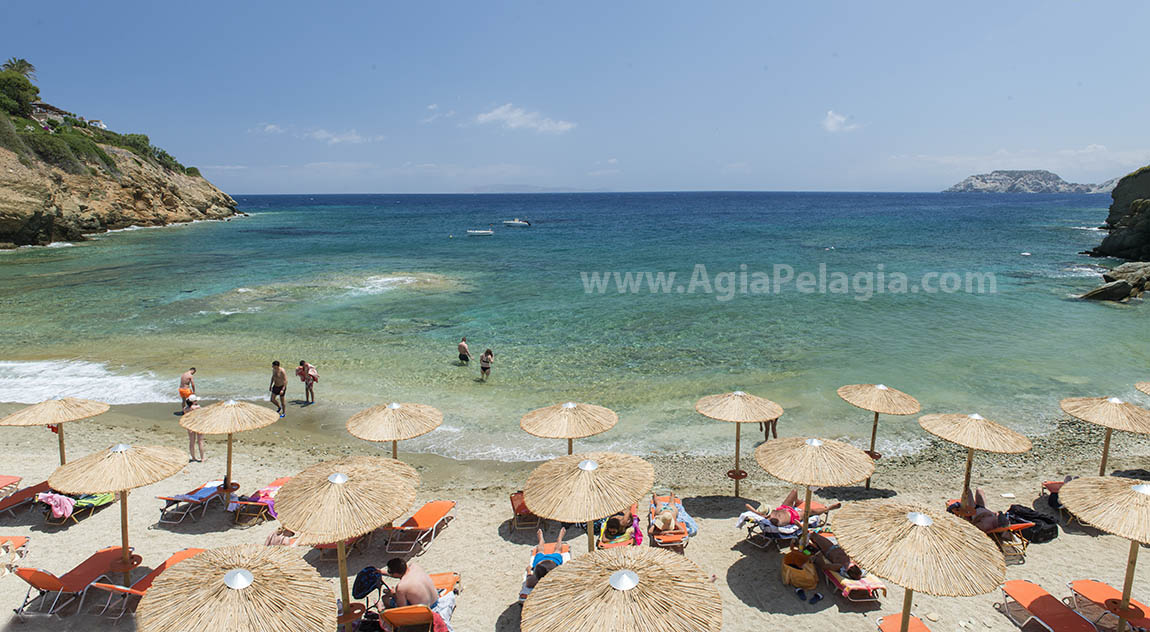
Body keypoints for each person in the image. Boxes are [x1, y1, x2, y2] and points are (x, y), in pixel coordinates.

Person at [383, 558, 455, 630]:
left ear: (395, 573)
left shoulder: (401, 586)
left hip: (425, 612)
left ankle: (395, 626)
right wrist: (380, 572)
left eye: (390, 572)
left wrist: (394, 595)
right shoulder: (415, 566)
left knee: (385, 599)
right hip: (436, 600)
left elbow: (402, 608)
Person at [739, 490, 840, 528]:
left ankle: (798, 501)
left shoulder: (761, 513)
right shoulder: (776, 522)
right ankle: (829, 508)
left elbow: (747, 505)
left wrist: (755, 511)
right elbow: (791, 524)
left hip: (783, 508)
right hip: (793, 515)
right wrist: (799, 525)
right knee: (811, 512)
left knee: (794, 491)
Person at [183, 395, 204, 462]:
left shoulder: (185, 409)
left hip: (190, 425)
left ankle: (193, 457)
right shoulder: (198, 407)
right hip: (198, 425)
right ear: (194, 402)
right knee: (200, 442)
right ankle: (202, 458)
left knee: (192, 442)